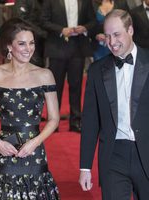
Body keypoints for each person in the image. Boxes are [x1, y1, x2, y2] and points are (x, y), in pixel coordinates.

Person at [0, 18, 60, 199]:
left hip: (34, 149)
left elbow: (54, 118)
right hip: (5, 147)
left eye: (31, 43)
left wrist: (36, 141)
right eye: (22, 43)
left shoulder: (44, 75)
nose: (28, 48)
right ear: (9, 46)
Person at [79, 9, 149, 200]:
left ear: (131, 30)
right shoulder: (96, 71)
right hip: (113, 156)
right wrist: (85, 167)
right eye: (107, 36)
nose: (112, 42)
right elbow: (90, 121)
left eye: (117, 34)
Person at [41, 0, 96, 133]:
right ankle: (53, 122)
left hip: (78, 47)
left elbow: (93, 21)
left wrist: (85, 28)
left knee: (76, 85)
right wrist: (61, 30)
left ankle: (76, 121)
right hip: (57, 48)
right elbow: (43, 21)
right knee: (55, 87)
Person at [12, 0, 47, 67]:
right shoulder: (23, 2)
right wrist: (42, 33)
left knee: (38, 65)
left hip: (38, 40)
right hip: (28, 40)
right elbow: (21, 20)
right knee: (33, 65)